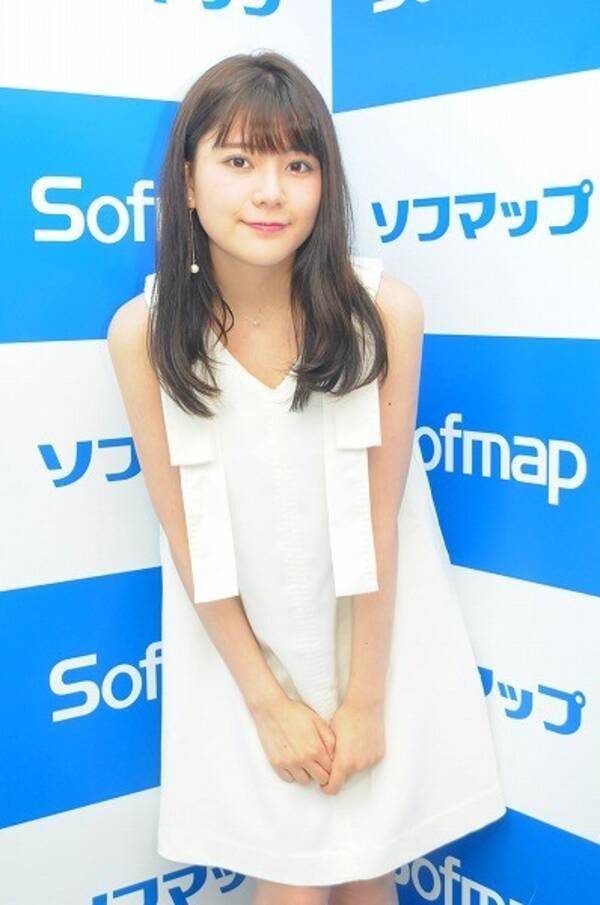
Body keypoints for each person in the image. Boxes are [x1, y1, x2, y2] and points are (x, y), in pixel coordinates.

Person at [107, 50, 506, 905]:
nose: (271, 192)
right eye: (239, 160)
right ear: (187, 182)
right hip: (241, 654)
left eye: (297, 163)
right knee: (288, 879)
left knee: (367, 871)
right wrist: (267, 702)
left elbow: (383, 517)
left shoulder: (384, 313)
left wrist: (364, 702)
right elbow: (185, 534)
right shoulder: (143, 333)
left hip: (375, 642)